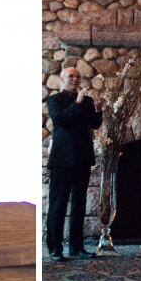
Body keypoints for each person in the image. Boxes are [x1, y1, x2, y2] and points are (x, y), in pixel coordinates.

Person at [45, 67, 102, 261]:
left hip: (82, 158)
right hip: (62, 160)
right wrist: (77, 104)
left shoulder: (87, 101)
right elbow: (61, 121)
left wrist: (99, 109)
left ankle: (77, 247)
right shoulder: (55, 100)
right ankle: (54, 248)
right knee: (58, 204)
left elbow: (94, 124)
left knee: (80, 205)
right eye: (71, 76)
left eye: (78, 76)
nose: (75, 79)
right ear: (62, 79)